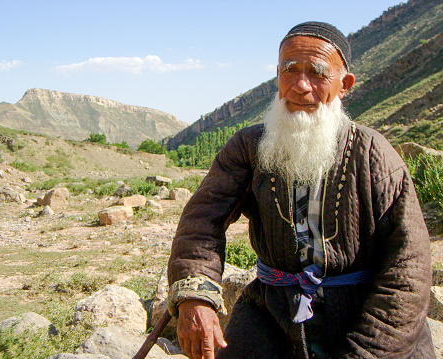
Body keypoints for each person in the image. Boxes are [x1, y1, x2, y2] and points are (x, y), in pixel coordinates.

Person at [166, 21, 435, 359]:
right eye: (289, 70)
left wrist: (366, 352)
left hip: (363, 317)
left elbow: (408, 266)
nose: (300, 86)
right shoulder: (249, 146)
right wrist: (195, 295)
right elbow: (203, 220)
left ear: (344, 85)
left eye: (318, 73)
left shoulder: (374, 154)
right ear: (277, 74)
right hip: (272, 313)